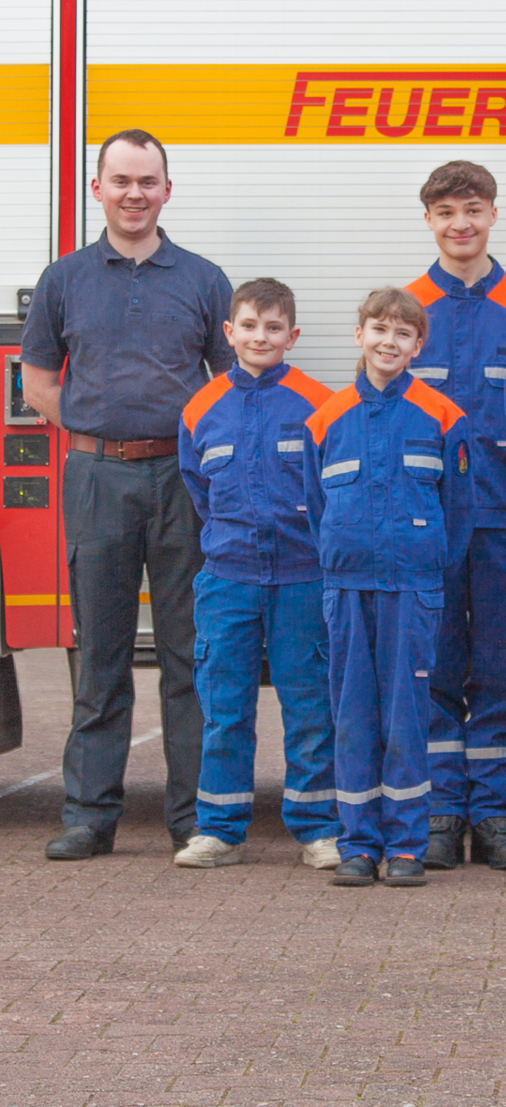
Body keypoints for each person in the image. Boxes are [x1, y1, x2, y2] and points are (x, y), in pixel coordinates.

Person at [21, 128, 234, 861]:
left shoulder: (204, 279)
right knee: (102, 653)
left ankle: (194, 817)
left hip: (182, 479)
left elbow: (231, 383)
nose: (134, 194)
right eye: (121, 180)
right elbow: (38, 379)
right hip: (97, 479)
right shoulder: (64, 279)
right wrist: (93, 431)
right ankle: (88, 816)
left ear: (167, 190)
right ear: (98, 189)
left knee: (188, 654)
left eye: (148, 181)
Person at [303, 288, 474, 887]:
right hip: (347, 589)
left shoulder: (443, 416)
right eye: (380, 329)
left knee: (406, 717)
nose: (390, 342)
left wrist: (427, 567)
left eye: (404, 334)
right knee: (351, 717)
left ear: (418, 345)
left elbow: (460, 510)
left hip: (413, 590)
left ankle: (405, 845)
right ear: (359, 335)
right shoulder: (325, 419)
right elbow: (314, 504)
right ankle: (356, 844)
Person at [406, 161, 506, 873]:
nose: (460, 224)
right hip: (424, 527)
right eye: (445, 212)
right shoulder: (402, 313)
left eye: (473, 209)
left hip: (503, 522)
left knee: (495, 670)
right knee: (432, 669)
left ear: (494, 215)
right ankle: (438, 813)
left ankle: (493, 814)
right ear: (427, 221)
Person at [173, 279, 341, 871]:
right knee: (225, 707)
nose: (260, 337)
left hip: (302, 577)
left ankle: (318, 827)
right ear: (229, 334)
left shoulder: (321, 405)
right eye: (249, 326)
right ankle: (219, 829)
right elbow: (200, 489)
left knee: (311, 708)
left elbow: (330, 494)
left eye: (273, 328)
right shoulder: (199, 408)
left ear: (293, 336)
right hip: (229, 578)